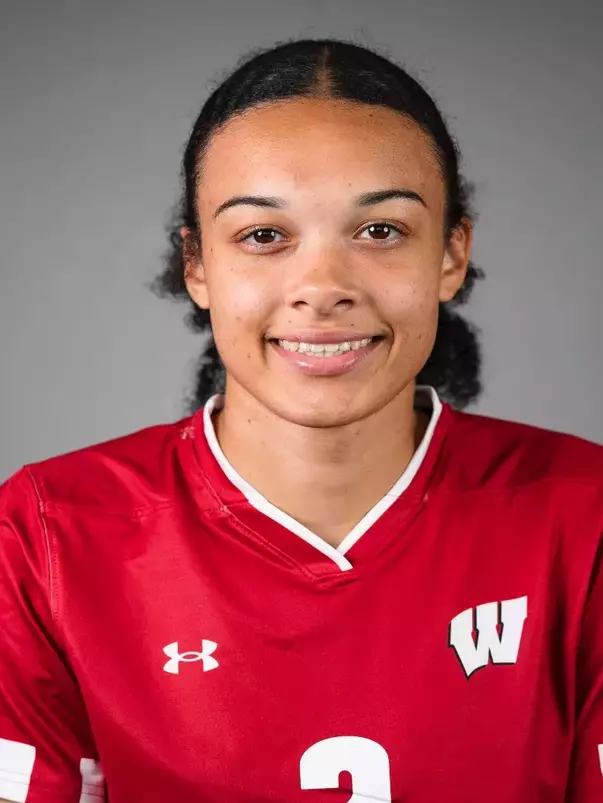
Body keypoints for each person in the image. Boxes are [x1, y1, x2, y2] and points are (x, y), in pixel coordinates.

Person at [0, 37, 601, 803]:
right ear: (197, 266)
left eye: (379, 230)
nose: (321, 286)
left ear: (451, 253)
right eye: (263, 236)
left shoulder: (584, 515)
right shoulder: (45, 533)